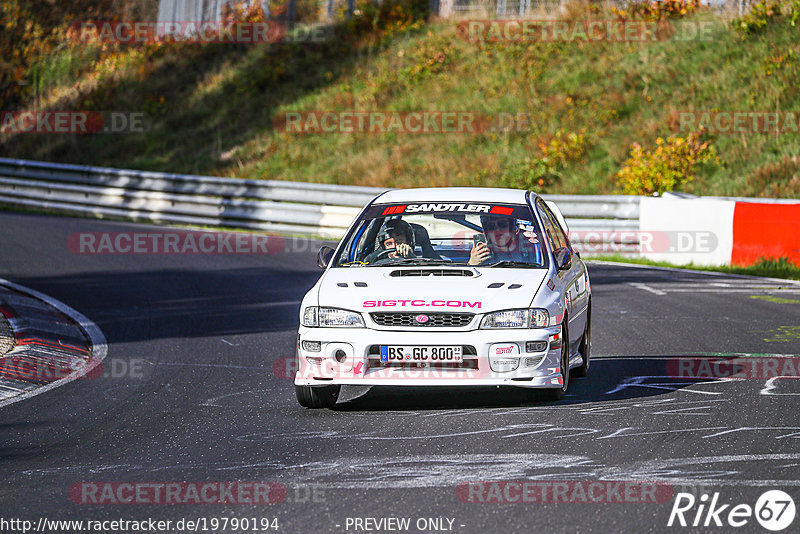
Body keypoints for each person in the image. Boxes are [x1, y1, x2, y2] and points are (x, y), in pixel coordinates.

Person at [468, 215, 539, 265]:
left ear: (512, 227)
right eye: (491, 226)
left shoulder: (530, 245)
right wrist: (472, 264)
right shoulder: (482, 252)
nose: (497, 229)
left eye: (502, 224)